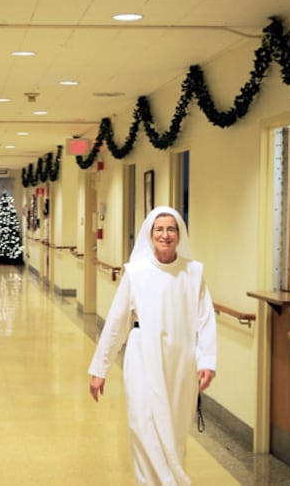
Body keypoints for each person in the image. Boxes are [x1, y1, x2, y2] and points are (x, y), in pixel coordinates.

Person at [87, 206, 216, 485]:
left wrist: (207, 360)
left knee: (175, 431)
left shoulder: (194, 273)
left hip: (181, 361)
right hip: (143, 357)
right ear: (150, 234)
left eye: (171, 229)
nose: (165, 235)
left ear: (179, 235)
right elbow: (116, 323)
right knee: (143, 426)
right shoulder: (136, 273)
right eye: (159, 229)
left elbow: (206, 320)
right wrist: (101, 369)